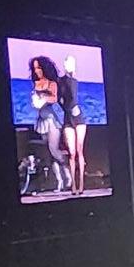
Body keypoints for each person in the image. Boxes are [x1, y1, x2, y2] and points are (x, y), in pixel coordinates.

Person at [27, 54, 68, 194]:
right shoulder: (36, 84)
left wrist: (43, 97)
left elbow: (54, 98)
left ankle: (68, 173)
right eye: (35, 68)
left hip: (52, 120)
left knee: (53, 149)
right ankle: (59, 182)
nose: (37, 71)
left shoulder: (52, 83)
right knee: (49, 153)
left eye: (39, 68)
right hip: (41, 120)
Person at [58, 52, 89, 195]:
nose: (69, 66)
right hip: (68, 118)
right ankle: (74, 185)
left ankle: (81, 184)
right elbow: (61, 99)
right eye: (68, 63)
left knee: (79, 151)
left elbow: (73, 98)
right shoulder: (60, 81)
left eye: (71, 64)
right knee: (71, 153)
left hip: (79, 118)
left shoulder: (74, 81)